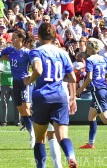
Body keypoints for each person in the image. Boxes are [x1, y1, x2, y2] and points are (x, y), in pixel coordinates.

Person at [23, 23, 78, 168]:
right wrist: (58, 78)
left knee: (40, 139)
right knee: (62, 136)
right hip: (60, 96)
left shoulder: (36, 51)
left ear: (38, 36)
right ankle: (71, 157)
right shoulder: (62, 53)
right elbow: (72, 78)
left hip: (42, 96)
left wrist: (29, 80)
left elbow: (38, 70)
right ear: (54, 36)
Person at [1, 28, 35, 148]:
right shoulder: (10, 50)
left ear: (21, 39)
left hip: (25, 83)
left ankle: (33, 135)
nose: (12, 40)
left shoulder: (27, 52)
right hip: (15, 83)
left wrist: (31, 75)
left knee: (26, 108)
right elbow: (0, 54)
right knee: (22, 111)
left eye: (14, 38)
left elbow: (34, 66)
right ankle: (32, 129)